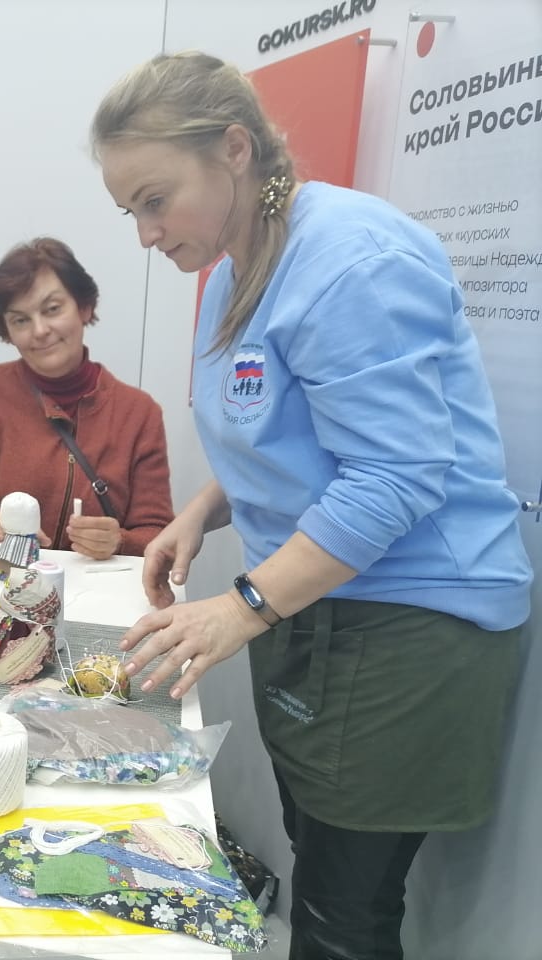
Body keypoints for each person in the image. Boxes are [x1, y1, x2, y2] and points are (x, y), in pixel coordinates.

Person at [93, 52, 531, 960]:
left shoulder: (350, 261)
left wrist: (244, 604)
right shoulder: (231, 268)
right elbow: (292, 432)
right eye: (130, 210)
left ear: (235, 149)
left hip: (408, 617)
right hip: (318, 603)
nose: (145, 234)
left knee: (342, 915)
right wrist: (202, 512)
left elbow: (394, 477)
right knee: (322, 870)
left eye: (155, 200)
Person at [0, 237, 174, 563]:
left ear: (84, 307)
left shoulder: (139, 413)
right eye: (20, 320)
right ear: (6, 332)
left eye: (52, 309)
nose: (40, 330)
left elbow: (157, 532)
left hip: (97, 589)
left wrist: (119, 542)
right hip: (5, 579)